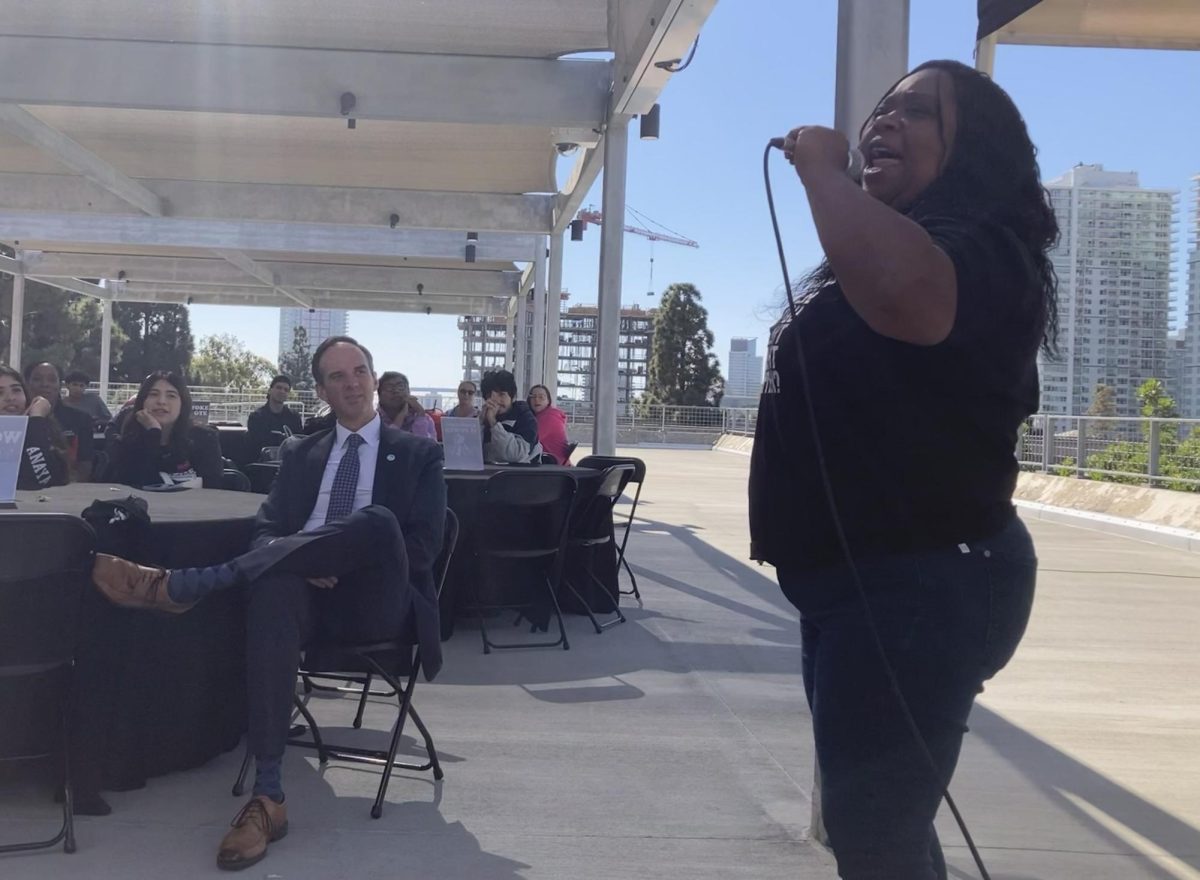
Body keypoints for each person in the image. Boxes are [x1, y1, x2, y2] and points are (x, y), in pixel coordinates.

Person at [749, 60, 1056, 880]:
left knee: (876, 836)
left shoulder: (986, 251)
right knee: (884, 828)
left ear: (973, 148)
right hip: (858, 585)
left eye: (916, 113)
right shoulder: (882, 245)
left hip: (921, 583)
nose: (884, 121)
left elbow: (905, 294)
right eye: (882, 107)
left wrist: (822, 170)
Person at [89, 336, 446, 871]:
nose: (351, 383)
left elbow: (422, 549)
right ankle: (268, 796)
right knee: (274, 591)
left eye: (359, 371)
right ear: (323, 390)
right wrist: (304, 560)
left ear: (374, 377)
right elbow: (267, 530)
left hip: (377, 602)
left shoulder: (419, 452)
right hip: (303, 592)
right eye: (337, 377)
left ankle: (186, 585)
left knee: (379, 521)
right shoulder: (302, 452)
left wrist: (336, 556)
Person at [105, 371, 224, 489]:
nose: (161, 401)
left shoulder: (204, 438)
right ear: (142, 401)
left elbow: (214, 490)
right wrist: (153, 433)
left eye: (171, 396)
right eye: (153, 394)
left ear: (183, 403)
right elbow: (133, 483)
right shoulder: (127, 438)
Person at [0, 364, 69, 490]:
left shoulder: (38, 428)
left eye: (16, 390)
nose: (10, 398)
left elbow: (46, 479)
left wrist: (36, 420)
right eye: (0, 392)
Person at [24, 361, 94, 481]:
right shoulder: (17, 418)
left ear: (60, 385)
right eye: (37, 379)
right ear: (26, 383)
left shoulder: (82, 419)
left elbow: (85, 463)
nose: (45, 384)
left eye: (52, 380)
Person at [479, 370, 541, 464]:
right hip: (487, 475)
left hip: (521, 475)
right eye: (490, 396)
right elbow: (468, 453)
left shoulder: (526, 417)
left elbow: (515, 455)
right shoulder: (482, 418)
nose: (496, 401)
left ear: (512, 396)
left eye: (501, 394)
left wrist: (493, 424)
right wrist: (479, 425)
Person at [246, 374, 303, 459]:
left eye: (286, 390)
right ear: (270, 391)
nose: (282, 391)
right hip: (262, 465)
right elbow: (254, 448)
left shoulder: (294, 417)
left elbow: (299, 444)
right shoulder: (256, 417)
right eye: (278, 387)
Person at [376, 371, 436, 439]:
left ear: (408, 391)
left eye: (400, 386)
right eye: (389, 387)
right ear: (379, 394)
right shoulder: (373, 419)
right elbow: (385, 444)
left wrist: (420, 414)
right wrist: (400, 417)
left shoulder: (424, 418)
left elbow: (425, 447)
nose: (396, 391)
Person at [528, 384, 571, 465]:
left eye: (541, 397)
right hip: (551, 465)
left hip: (552, 468)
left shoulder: (549, 417)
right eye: (533, 397)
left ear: (548, 401)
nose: (536, 400)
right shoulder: (541, 416)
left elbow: (528, 442)